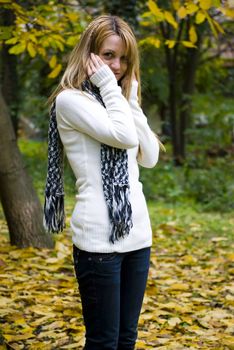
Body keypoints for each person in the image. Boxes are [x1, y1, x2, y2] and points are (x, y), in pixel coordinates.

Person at [44, 14, 160, 350]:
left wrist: (132, 100)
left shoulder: (119, 104)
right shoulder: (71, 101)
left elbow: (149, 156)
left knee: (127, 338)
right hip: (98, 242)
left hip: (138, 235)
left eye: (124, 58)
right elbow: (123, 137)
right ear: (89, 54)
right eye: (108, 55)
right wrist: (113, 90)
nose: (117, 66)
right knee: (104, 342)